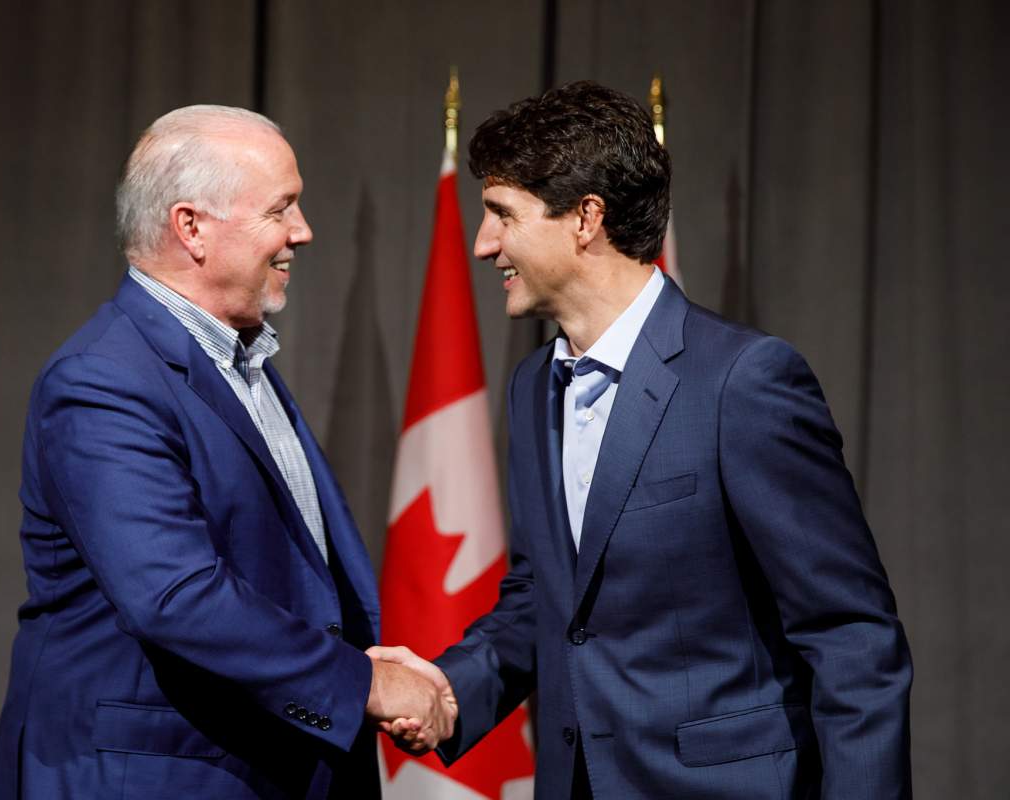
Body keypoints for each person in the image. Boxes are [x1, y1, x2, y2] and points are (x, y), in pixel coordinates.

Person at [370, 82, 912, 798]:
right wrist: (450, 696)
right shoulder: (534, 385)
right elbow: (546, 599)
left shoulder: (743, 382)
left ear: (585, 219)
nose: (483, 245)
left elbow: (851, 637)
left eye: (502, 215)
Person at [0, 105, 452, 800]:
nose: (303, 231)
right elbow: (174, 595)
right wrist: (363, 682)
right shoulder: (102, 381)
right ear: (192, 227)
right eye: (281, 209)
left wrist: (355, 666)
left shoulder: (240, 363)